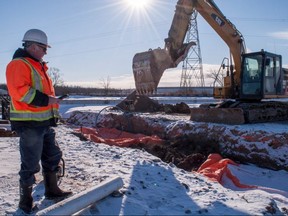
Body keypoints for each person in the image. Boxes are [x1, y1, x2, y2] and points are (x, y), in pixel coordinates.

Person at [5, 29, 72, 214]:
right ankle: (25, 201)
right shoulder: (19, 64)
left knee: (52, 155)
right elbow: (20, 91)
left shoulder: (38, 65)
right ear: (33, 46)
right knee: (30, 164)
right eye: (44, 48)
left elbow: (42, 93)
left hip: (43, 123)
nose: (45, 52)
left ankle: (52, 189)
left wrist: (53, 103)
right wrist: (48, 100)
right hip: (29, 124)